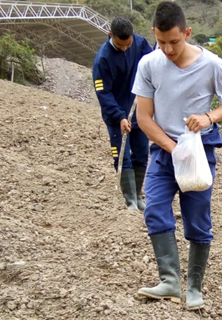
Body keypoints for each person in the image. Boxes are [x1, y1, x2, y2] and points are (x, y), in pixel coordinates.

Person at [132, 1, 222, 310]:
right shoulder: (149, 65)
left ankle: (194, 287)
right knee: (154, 208)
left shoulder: (212, 65)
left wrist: (208, 117)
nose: (167, 48)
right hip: (166, 152)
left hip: (199, 152)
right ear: (154, 34)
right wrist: (171, 148)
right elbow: (144, 118)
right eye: (161, 41)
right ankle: (169, 281)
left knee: (197, 219)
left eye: (174, 42)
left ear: (187, 33)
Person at [93, 17, 154, 211]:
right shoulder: (103, 60)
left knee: (142, 152)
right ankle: (129, 201)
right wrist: (119, 116)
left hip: (138, 110)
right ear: (110, 35)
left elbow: (152, 63)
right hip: (116, 115)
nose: (126, 48)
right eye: (121, 45)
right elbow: (104, 93)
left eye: (128, 44)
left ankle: (137, 195)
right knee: (122, 156)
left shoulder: (139, 43)